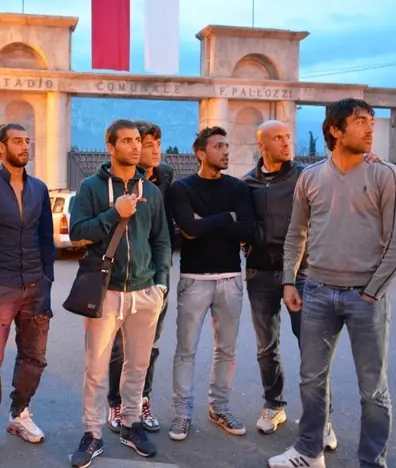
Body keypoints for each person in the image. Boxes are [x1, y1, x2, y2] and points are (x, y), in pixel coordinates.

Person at [269, 99, 395, 468]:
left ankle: (372, 462)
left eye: (371, 120)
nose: (370, 128)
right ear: (335, 130)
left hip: (365, 298)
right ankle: (310, 452)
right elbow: (296, 233)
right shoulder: (310, 177)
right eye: (360, 121)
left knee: (373, 390)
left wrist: (372, 291)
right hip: (317, 292)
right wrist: (290, 281)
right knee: (311, 379)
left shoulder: (384, 175)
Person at [69, 119, 172, 467]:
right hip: (106, 290)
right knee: (96, 367)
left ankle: (131, 424)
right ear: (110, 147)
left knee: (138, 365)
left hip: (145, 291)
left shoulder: (151, 192)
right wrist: (115, 213)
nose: (135, 146)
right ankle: (92, 433)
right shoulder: (90, 187)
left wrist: (161, 283)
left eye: (137, 140)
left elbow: (161, 240)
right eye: (126, 141)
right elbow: (77, 232)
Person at [242, 120, 337, 447]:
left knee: (312, 348)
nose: (286, 142)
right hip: (260, 273)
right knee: (266, 347)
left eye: (288, 137)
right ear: (262, 145)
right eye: (278, 138)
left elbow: (339, 175)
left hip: (302, 274)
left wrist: (368, 161)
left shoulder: (305, 176)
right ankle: (274, 405)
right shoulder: (248, 183)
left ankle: (322, 418)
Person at [0, 123, 55, 464]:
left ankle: (19, 414)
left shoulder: (39, 188)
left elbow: (46, 237)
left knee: (34, 357)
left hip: (35, 285)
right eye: (17, 141)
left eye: (27, 140)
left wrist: (47, 277)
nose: (24, 146)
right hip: (0, 287)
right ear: (1, 147)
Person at [166, 126, 254, 442]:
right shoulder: (181, 188)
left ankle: (220, 408)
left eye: (227, 146)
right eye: (219, 146)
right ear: (200, 153)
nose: (226, 151)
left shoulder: (238, 188)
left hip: (231, 278)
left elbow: (249, 232)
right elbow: (188, 229)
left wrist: (205, 223)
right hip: (195, 280)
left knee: (226, 351)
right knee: (185, 351)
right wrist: (227, 217)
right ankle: (182, 414)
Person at [106, 120, 175, 433]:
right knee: (120, 348)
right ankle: (116, 403)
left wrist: (161, 282)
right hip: (121, 281)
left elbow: (163, 235)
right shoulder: (117, 184)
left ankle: (141, 401)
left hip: (153, 281)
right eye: (148, 145)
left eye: (156, 144)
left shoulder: (165, 179)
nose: (153, 150)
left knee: (149, 348)